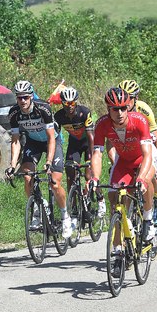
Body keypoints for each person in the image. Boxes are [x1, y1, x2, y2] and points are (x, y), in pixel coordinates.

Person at [89, 87, 157, 278]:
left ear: (128, 107)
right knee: (114, 200)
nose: (119, 113)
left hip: (144, 158)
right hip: (124, 161)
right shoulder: (102, 124)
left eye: (123, 108)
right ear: (108, 109)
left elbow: (147, 154)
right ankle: (118, 252)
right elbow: (97, 154)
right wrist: (94, 178)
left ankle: (148, 218)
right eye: (114, 109)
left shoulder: (139, 121)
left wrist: (141, 178)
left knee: (146, 182)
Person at [5, 80, 72, 238]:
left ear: (31, 97)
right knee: (27, 177)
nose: (23, 101)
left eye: (26, 97)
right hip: (33, 142)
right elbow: (15, 141)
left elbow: (51, 138)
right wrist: (12, 165)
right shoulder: (14, 113)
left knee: (55, 183)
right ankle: (37, 208)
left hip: (51, 141)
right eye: (19, 97)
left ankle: (65, 216)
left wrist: (48, 162)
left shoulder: (43, 108)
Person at [52, 86, 105, 225]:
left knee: (89, 175)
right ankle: (75, 209)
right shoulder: (59, 116)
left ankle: (100, 199)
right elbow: (55, 137)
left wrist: (92, 158)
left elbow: (91, 136)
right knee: (70, 174)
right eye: (66, 103)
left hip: (88, 144)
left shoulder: (84, 112)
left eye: (72, 103)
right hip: (74, 144)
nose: (69, 106)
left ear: (76, 102)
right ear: (62, 103)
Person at [118, 80, 157, 226]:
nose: (126, 102)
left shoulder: (143, 109)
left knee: (151, 173)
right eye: (124, 97)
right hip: (129, 146)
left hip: (147, 143)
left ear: (136, 98)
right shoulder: (118, 112)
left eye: (130, 98)